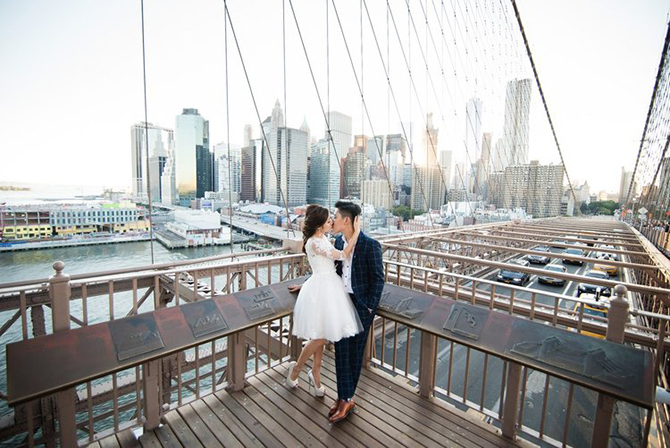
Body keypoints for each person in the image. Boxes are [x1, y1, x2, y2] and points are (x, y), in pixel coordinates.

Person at [288, 201, 384, 424]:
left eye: (336, 217)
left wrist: (370, 305)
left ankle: (347, 399)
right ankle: (342, 398)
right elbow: (329, 269)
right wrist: (308, 285)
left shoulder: (370, 245)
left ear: (346, 220)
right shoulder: (338, 241)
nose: (333, 220)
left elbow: (379, 278)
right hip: (341, 302)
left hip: (361, 306)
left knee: (355, 355)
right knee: (342, 354)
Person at [286, 204, 363, 398]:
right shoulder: (314, 242)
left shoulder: (323, 238)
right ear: (320, 225)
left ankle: (315, 374)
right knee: (320, 336)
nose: (332, 222)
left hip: (328, 286)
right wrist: (357, 234)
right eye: (329, 220)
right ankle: (296, 370)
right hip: (323, 289)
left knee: (321, 334)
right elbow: (343, 256)